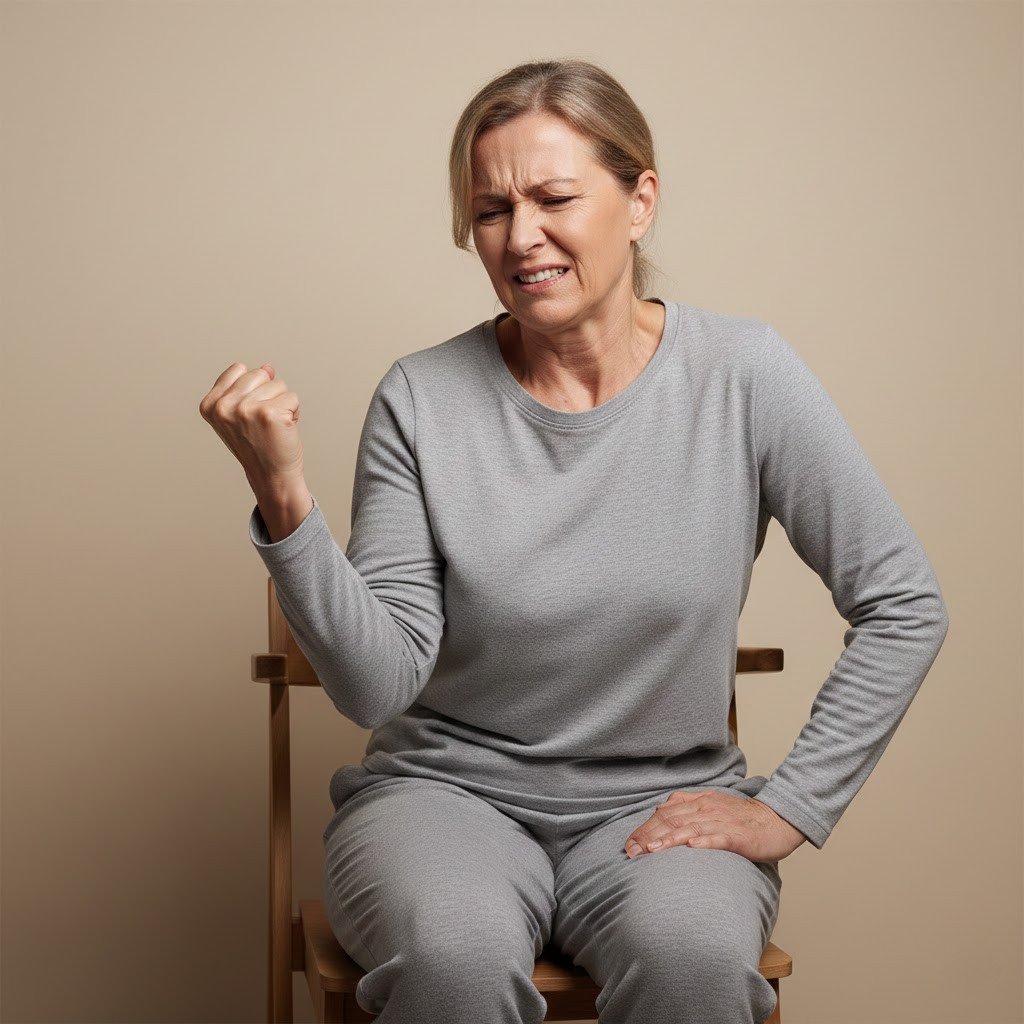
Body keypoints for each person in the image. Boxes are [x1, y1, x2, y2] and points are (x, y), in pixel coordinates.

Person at [200, 58, 948, 1024]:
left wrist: (790, 806)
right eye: (491, 211)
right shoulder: (422, 398)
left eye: (554, 198)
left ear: (641, 202)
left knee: (693, 962)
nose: (521, 237)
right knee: (453, 958)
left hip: (659, 809)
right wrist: (284, 497)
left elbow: (903, 602)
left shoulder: (744, 375)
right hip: (441, 800)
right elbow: (377, 687)